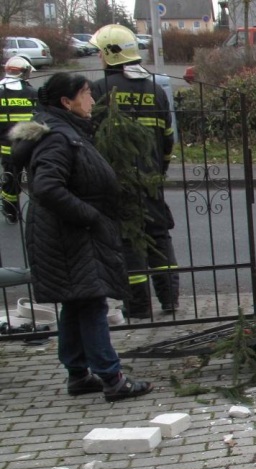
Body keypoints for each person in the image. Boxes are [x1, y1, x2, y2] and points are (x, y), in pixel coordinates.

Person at [9, 72, 153, 401]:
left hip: (68, 233)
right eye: (86, 94)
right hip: (70, 234)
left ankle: (77, 374)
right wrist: (90, 216)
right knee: (91, 302)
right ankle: (112, 377)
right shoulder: (57, 136)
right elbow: (46, 187)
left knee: (77, 302)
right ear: (66, 101)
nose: (92, 101)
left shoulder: (63, 129)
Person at [89, 23, 179, 319]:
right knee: (158, 236)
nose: (98, 59)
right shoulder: (154, 89)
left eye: (100, 53)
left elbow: (92, 138)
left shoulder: (101, 89)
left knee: (129, 241)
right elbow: (168, 138)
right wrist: (158, 171)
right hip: (151, 179)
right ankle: (170, 299)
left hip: (117, 181)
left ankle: (139, 307)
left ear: (110, 55)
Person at [0, 56, 37, 224]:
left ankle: (11, 212)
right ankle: (36, 214)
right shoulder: (32, 93)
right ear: (24, 72)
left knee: (10, 180)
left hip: (7, 148)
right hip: (30, 146)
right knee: (35, 180)